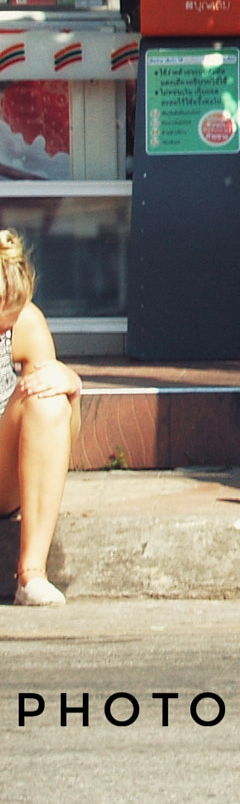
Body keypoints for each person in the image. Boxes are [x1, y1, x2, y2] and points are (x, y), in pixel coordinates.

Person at [0, 231, 80, 607]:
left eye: (8, 320)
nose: (5, 330)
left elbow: (60, 433)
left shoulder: (26, 324)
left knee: (47, 399)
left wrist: (72, 390)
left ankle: (30, 575)